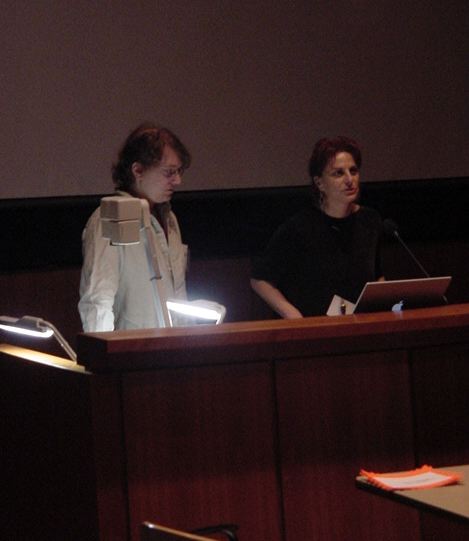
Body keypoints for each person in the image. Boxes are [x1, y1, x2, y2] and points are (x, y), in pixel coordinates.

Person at [250, 136, 384, 318]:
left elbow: (377, 275)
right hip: (313, 326)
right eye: (338, 173)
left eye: (353, 171)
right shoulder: (299, 227)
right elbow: (260, 280)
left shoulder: (369, 220)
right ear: (319, 183)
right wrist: (295, 318)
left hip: (359, 325)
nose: (349, 179)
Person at [78, 123, 191, 332]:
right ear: (138, 170)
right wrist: (105, 349)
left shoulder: (169, 219)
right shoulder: (109, 218)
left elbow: (178, 294)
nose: (177, 180)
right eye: (169, 172)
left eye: (179, 171)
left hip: (172, 345)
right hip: (131, 347)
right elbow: (97, 301)